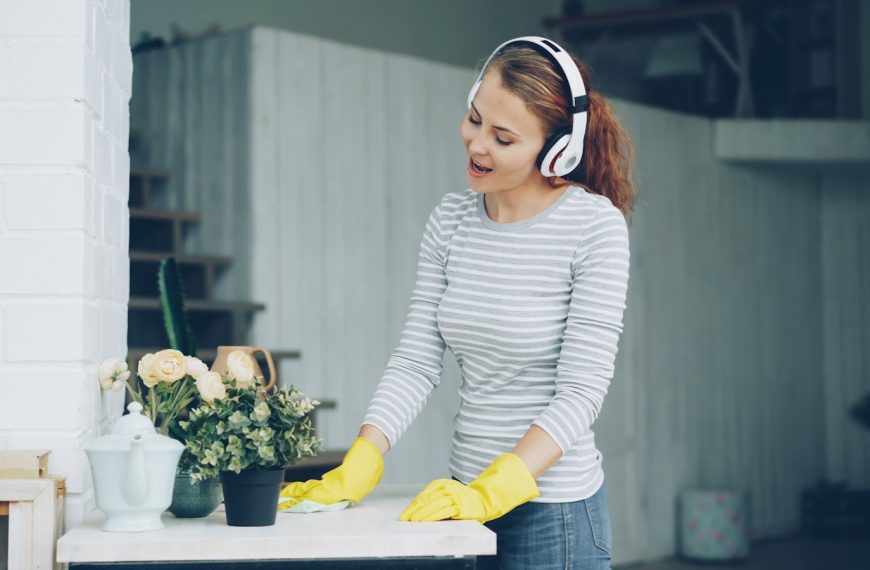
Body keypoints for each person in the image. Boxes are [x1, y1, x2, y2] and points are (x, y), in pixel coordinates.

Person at [279, 36, 636, 570]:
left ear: (557, 149)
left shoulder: (593, 227)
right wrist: (365, 454)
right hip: (462, 503)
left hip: (554, 515)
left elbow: (581, 393)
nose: (477, 145)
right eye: (474, 120)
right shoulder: (451, 221)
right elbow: (417, 359)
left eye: (503, 137)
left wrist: (499, 487)